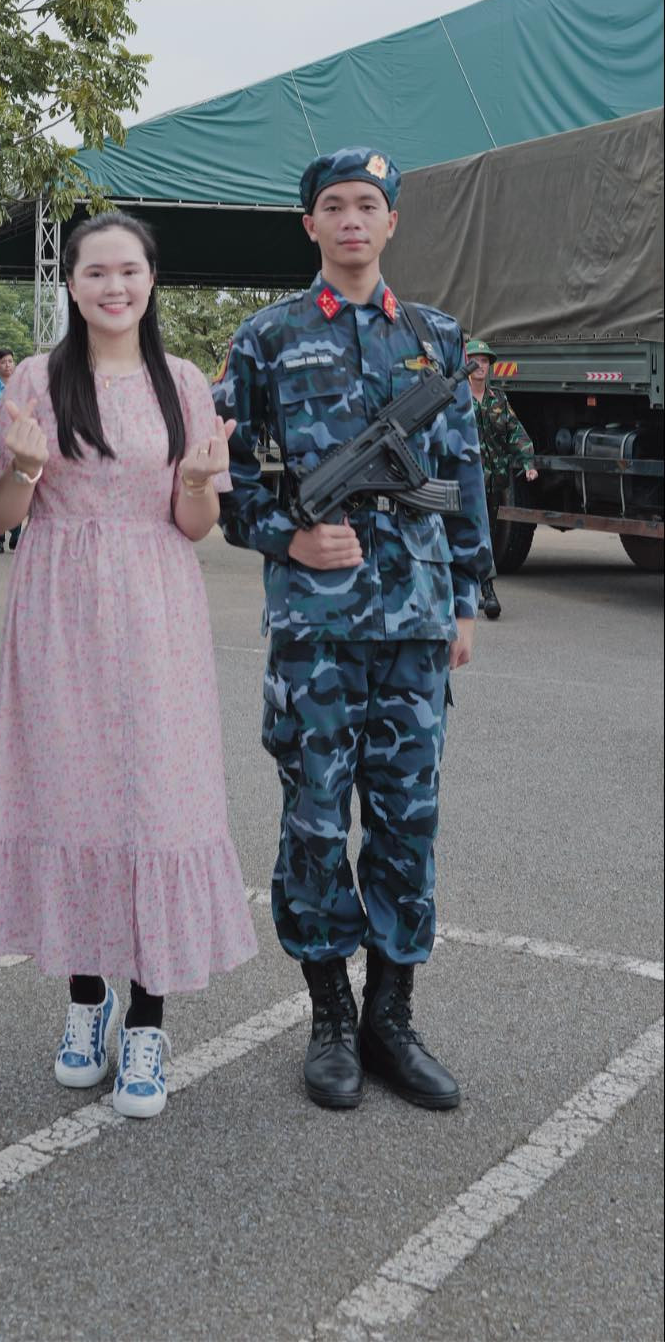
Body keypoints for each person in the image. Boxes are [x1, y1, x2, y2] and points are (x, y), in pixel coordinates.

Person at [0, 212, 257, 1119]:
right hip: (58, 608)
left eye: (129, 271)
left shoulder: (184, 382)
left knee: (157, 802)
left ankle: (148, 1024)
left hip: (158, 608)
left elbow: (193, 525)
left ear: (151, 280)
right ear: (73, 285)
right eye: (96, 272)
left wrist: (198, 480)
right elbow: (1, 518)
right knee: (71, 794)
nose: (113, 286)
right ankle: (86, 1003)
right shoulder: (36, 379)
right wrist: (22, 467)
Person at [221, 148, 488, 1115]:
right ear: (310, 224)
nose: (350, 220)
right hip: (317, 629)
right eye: (333, 206)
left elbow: (463, 474)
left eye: (367, 205)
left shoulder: (435, 337)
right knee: (316, 820)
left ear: (390, 221)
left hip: (415, 619)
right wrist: (288, 534)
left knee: (408, 822)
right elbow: (225, 478)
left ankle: (392, 1018)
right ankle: (331, 1017)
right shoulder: (266, 337)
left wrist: (466, 598)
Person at [466, 337, 538, 621]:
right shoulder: (456, 399)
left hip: (493, 483)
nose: (480, 366)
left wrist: (527, 462)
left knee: (487, 534)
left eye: (485, 361)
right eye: (475, 361)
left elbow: (514, 432)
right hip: (465, 483)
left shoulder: (498, 399)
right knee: (474, 534)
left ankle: (478, 589)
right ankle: (488, 591)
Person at [0, 348, 22, 552]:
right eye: (3, 362)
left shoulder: (23, 389)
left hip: (17, 448)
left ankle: (16, 533)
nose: (7, 365)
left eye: (10, 361)